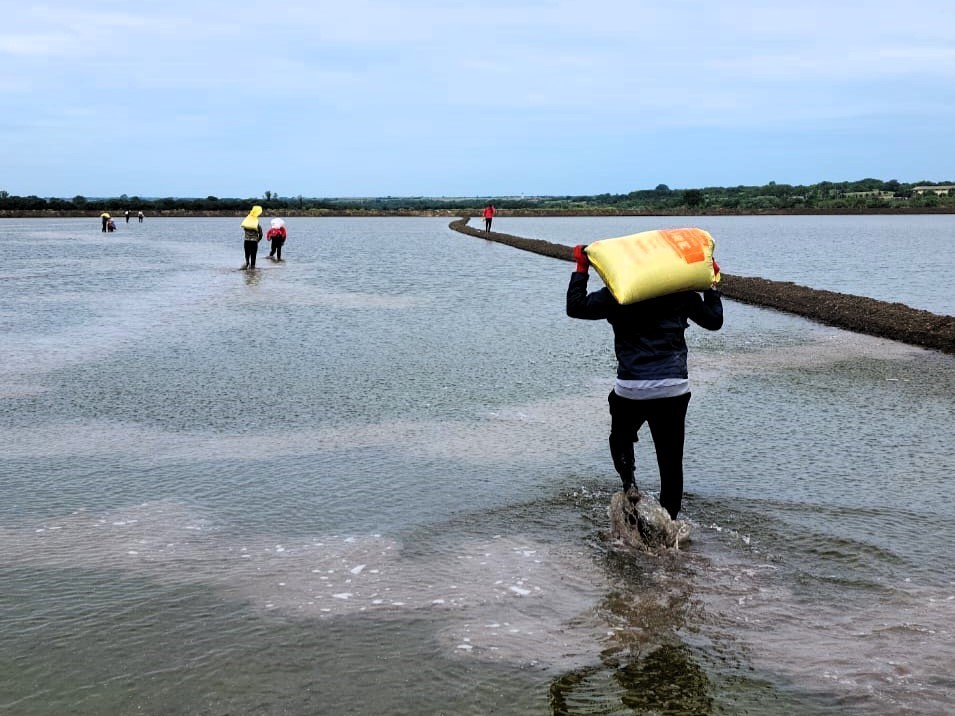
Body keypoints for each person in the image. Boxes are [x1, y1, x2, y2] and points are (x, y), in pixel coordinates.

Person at [566, 244, 723, 520]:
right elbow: (714, 321)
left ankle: (630, 485)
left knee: (619, 439)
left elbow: (575, 307)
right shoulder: (680, 294)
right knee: (671, 462)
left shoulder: (619, 294)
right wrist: (711, 285)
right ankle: (669, 529)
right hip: (673, 388)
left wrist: (581, 268)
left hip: (632, 390)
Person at [240, 206, 263, 270]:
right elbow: (261, 234)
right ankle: (252, 268)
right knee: (253, 255)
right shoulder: (257, 225)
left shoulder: (246, 224)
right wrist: (258, 240)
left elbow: (244, 229)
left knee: (247, 254)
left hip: (246, 241)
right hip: (254, 241)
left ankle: (247, 263)